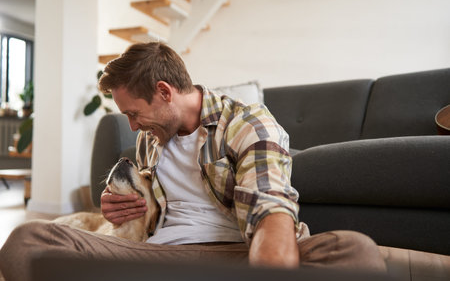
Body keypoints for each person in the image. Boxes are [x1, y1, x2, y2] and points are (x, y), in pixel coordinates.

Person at [0, 42, 386, 281]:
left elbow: (270, 210)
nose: (132, 126)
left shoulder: (246, 123)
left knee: (356, 253)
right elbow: (145, 214)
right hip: (154, 256)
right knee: (28, 241)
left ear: (164, 92)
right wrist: (116, 208)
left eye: (134, 113)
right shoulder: (151, 141)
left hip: (238, 255)